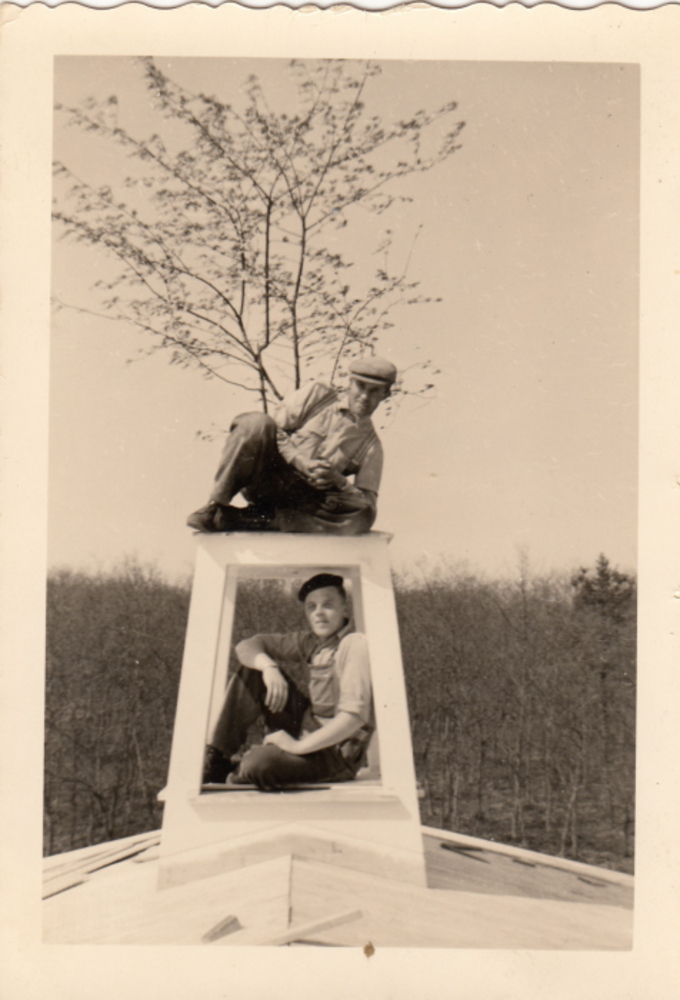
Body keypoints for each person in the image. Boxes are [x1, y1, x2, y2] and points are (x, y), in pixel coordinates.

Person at [186, 356, 397, 536]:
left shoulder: (372, 447)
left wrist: (338, 480)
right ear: (350, 382)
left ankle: (252, 519)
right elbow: (271, 428)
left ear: (385, 395)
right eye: (360, 386)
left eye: (374, 391)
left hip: (305, 501)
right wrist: (299, 460)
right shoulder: (320, 395)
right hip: (268, 477)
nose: (364, 396)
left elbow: (366, 503)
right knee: (254, 423)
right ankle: (215, 507)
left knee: (364, 516)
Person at [202, 573, 374, 791]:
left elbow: (354, 718)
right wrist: (269, 668)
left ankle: (240, 770)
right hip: (306, 730)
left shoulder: (354, 644)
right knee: (253, 670)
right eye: (311, 607)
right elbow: (247, 645)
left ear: (344, 609)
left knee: (257, 764)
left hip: (334, 754)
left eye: (328, 605)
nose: (319, 613)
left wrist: (298, 746)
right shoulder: (311, 642)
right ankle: (217, 760)